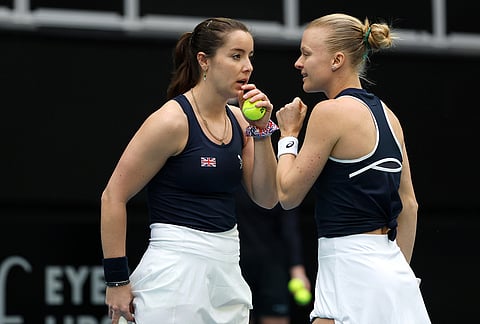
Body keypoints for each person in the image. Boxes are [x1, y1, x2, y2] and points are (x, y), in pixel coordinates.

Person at [100, 17, 280, 324]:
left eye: (250, 57)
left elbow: (267, 197)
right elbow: (112, 197)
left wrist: (262, 131)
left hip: (227, 270)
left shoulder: (240, 122)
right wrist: (117, 281)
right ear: (204, 61)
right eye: (236, 56)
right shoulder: (171, 120)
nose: (247, 66)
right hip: (174, 274)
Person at [275, 13, 431, 324]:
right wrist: (393, 276)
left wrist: (288, 136)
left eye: (306, 53)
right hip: (392, 271)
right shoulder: (390, 116)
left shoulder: (328, 113)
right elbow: (409, 205)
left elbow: (288, 194)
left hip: (351, 268)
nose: (298, 62)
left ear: (336, 60)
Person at [235, 186, 311, 324]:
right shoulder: (233, 178)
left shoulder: (279, 179)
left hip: (273, 266)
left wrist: (297, 268)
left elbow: (290, 227)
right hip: (238, 266)